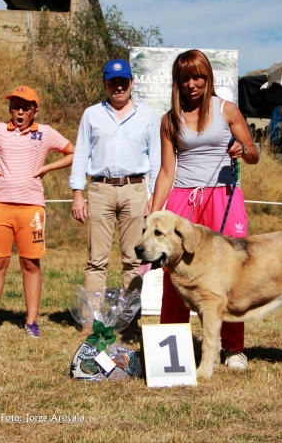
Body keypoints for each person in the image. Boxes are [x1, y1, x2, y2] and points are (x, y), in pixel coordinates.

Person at [151, 50, 259, 370]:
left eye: (198, 76)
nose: (192, 84)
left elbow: (253, 152)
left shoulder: (226, 110)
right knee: (177, 273)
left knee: (230, 274)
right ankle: (172, 343)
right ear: (178, 82)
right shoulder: (170, 120)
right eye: (185, 78)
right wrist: (155, 214)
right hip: (183, 200)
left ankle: (233, 347)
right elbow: (167, 172)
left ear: (208, 76)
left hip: (223, 196)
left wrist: (243, 149)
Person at [0, 86, 75, 337]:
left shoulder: (46, 132)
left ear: (34, 111)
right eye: (15, 106)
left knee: (30, 263)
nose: (19, 112)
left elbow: (73, 152)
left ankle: (31, 323)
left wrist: (47, 169)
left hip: (31, 208)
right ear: (10, 109)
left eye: (25, 107)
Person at [70, 58, 161, 334]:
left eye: (123, 82)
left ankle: (130, 320)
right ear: (105, 84)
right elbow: (81, 154)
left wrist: (154, 198)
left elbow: (155, 158)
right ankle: (91, 320)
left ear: (132, 83)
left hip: (136, 190)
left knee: (134, 259)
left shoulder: (148, 116)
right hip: (100, 189)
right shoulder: (91, 114)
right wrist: (77, 193)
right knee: (96, 259)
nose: (118, 87)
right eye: (113, 82)